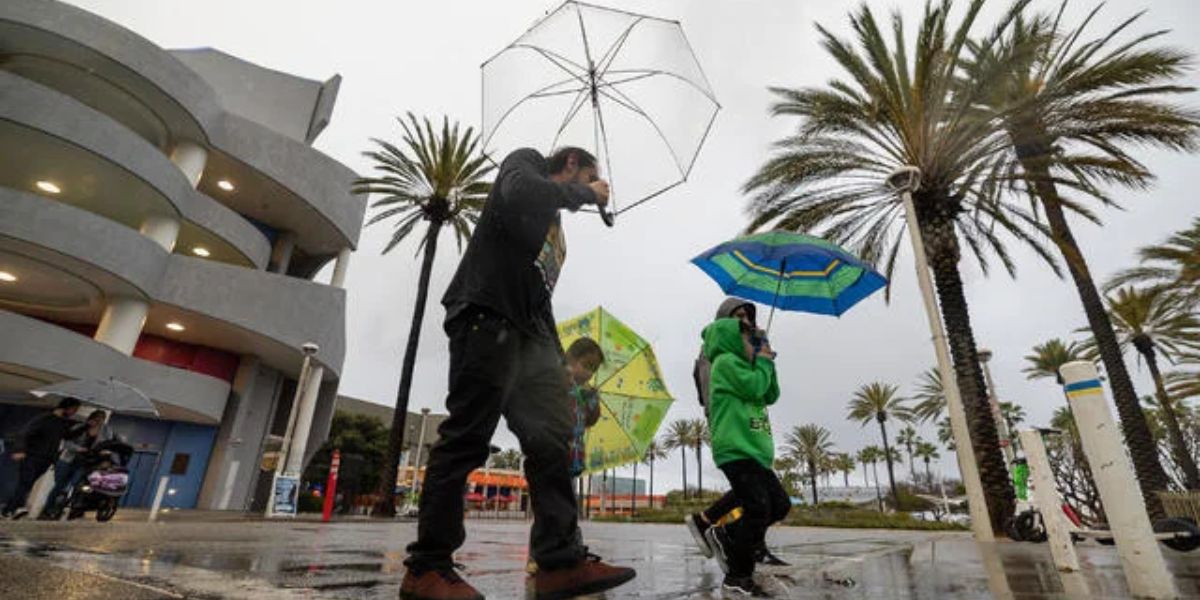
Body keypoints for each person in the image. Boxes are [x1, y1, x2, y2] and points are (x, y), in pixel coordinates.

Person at [401, 147, 636, 600]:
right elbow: (518, 191)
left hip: (530, 336)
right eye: (589, 174)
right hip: (486, 316)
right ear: (570, 165)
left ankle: (559, 562)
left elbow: (538, 293)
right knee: (468, 436)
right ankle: (426, 568)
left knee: (552, 439)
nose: (592, 183)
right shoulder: (525, 164)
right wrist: (583, 193)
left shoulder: (554, 225)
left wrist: (555, 355)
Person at [686, 298, 789, 569]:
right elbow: (721, 392)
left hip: (750, 436)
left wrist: (764, 360)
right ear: (726, 322)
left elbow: (768, 393)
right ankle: (740, 559)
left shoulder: (745, 357)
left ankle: (727, 533)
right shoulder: (716, 357)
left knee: (765, 501)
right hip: (731, 430)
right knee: (756, 502)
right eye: (739, 315)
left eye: (748, 317)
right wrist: (719, 420)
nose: (746, 321)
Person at [528, 336, 605, 576]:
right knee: (550, 510)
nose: (589, 373)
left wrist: (593, 401)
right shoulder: (557, 381)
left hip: (572, 458)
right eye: (586, 364)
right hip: (552, 453)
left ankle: (570, 551)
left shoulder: (584, 392)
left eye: (593, 369)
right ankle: (537, 556)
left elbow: (589, 421)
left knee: (566, 508)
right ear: (571, 358)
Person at [1, 397, 82, 519]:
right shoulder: (44, 418)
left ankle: (11, 508)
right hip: (32, 457)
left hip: (46, 460)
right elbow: (25, 433)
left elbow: (68, 436)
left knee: (28, 484)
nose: (74, 413)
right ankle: (11, 509)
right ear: (66, 407)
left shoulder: (62, 423)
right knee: (25, 482)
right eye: (74, 409)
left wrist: (85, 427)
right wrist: (19, 450)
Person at [40, 409, 111, 519]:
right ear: (92, 418)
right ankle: (47, 509)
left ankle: (73, 509)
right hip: (68, 459)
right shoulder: (80, 427)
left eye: (102, 419)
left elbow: (107, 444)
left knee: (77, 485)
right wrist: (79, 449)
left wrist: (104, 452)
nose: (99, 421)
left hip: (86, 462)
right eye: (97, 418)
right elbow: (67, 442)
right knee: (59, 486)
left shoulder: (106, 431)